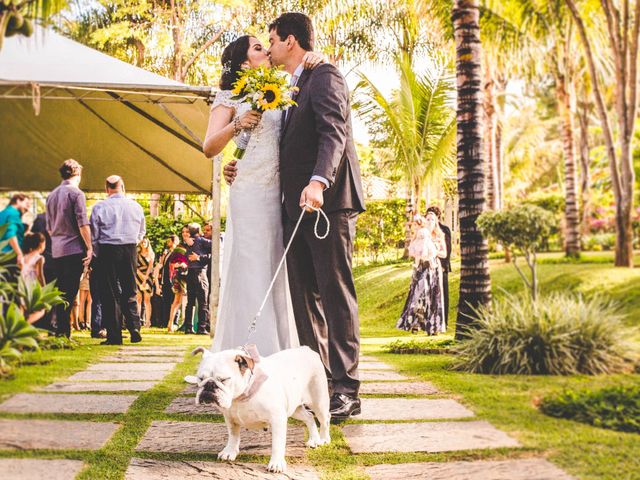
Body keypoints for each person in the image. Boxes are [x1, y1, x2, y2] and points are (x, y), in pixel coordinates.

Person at [223, 13, 366, 420]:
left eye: (271, 40)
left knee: (335, 294)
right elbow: (276, 143)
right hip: (291, 209)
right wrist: (238, 164)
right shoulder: (288, 84)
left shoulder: (325, 75)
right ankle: (319, 385)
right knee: (304, 299)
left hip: (327, 203)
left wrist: (319, 182)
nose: (267, 48)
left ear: (290, 41)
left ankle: (348, 390)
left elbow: (333, 132)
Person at [205, 35, 322, 356]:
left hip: (279, 192)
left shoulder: (283, 87)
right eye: (258, 47)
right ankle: (248, 348)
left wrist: (314, 58)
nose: (266, 50)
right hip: (248, 191)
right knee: (252, 265)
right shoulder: (229, 96)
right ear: (244, 63)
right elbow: (209, 146)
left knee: (277, 265)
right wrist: (237, 125)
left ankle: (283, 350)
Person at [90, 175, 145, 345]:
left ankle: (114, 335)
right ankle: (134, 327)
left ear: (107, 189)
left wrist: (97, 254)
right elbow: (142, 232)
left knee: (110, 293)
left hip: (107, 249)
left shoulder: (99, 207)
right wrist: (133, 244)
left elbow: (94, 235)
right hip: (129, 249)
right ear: (123, 186)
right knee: (130, 288)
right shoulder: (136, 206)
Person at [45, 160, 92, 338]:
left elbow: (49, 227)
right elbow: (82, 223)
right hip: (73, 249)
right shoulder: (76, 193)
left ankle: (59, 328)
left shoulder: (52, 195)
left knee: (60, 290)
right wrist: (89, 247)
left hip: (56, 250)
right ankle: (63, 331)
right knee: (70, 290)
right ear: (78, 174)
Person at [397, 214, 447, 335]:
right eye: (428, 219)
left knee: (433, 296)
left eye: (432, 219)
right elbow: (413, 250)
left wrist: (434, 251)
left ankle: (433, 326)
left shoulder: (439, 237)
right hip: (420, 268)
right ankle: (415, 323)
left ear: (436, 222)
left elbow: (444, 254)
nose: (430, 221)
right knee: (418, 295)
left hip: (433, 267)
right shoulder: (419, 234)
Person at [426, 206, 452, 326]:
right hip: (429, 266)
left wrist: (444, 265)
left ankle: (444, 322)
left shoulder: (444, 230)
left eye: (432, 216)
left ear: (437, 217)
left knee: (444, 294)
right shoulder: (425, 230)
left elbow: (448, 249)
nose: (429, 219)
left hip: (442, 266)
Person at [184, 223, 211, 335]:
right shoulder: (201, 240)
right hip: (200, 272)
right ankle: (202, 327)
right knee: (203, 301)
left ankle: (188, 327)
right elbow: (217, 246)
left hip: (190, 272)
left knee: (190, 302)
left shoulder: (189, 242)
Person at [0, 193, 31, 271]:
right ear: (18, 201)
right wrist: (19, 254)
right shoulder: (14, 214)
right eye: (27, 204)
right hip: (9, 256)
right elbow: (10, 234)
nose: (28, 208)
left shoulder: (3, 213)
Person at [167, 227, 189, 332]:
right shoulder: (179, 248)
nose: (184, 233)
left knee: (187, 301)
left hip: (191, 275)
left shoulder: (194, 245)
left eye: (187, 232)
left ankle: (186, 323)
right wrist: (177, 265)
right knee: (177, 300)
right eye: (183, 232)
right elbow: (171, 264)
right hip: (179, 276)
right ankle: (170, 323)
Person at [135, 237, 155, 327]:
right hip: (138, 277)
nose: (143, 243)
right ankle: (137, 320)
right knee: (138, 299)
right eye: (142, 242)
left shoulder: (151, 254)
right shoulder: (137, 254)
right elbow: (135, 267)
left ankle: (147, 321)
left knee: (147, 300)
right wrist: (140, 276)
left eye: (145, 242)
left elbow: (150, 267)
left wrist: (145, 278)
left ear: (148, 243)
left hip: (148, 278)